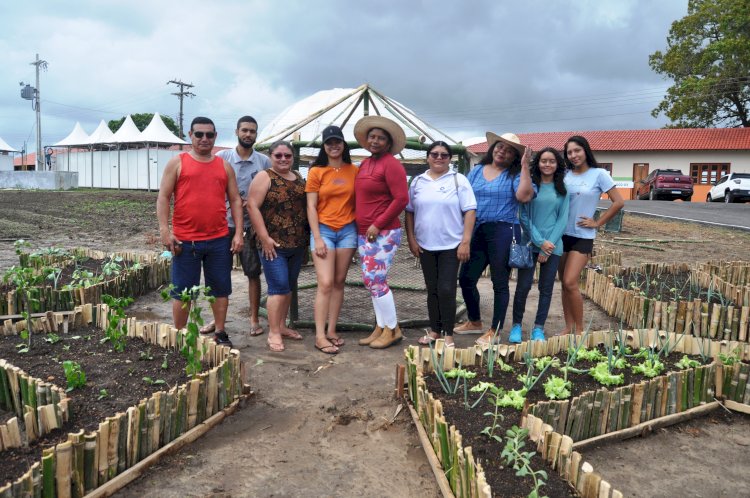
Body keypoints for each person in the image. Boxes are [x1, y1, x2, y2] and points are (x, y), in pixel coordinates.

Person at [156, 116, 244, 347]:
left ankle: (221, 332)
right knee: (182, 291)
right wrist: (165, 232)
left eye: (209, 134)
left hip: (218, 240)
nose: (205, 139)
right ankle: (181, 335)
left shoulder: (223, 166)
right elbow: (163, 197)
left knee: (220, 288)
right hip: (185, 242)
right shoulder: (178, 162)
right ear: (190, 135)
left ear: (215, 136)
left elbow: (235, 200)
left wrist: (238, 233)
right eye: (199, 134)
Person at [454, 132, 535, 346]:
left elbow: (524, 196)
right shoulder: (477, 170)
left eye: (509, 151)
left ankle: (495, 330)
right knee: (466, 278)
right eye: (500, 147)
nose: (503, 152)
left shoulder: (514, 174)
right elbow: (463, 197)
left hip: (503, 230)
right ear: (493, 148)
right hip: (476, 228)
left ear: (514, 157)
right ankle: (474, 321)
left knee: (499, 282)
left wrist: (525, 166)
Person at [200, 116, 270, 338]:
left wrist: (255, 203)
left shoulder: (263, 162)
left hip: (251, 226)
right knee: (218, 274)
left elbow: (270, 191)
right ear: (237, 131)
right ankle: (217, 320)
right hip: (224, 225)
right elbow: (210, 187)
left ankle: (253, 319)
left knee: (252, 273)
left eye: (252, 131)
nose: (248, 134)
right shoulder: (222, 157)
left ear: (256, 134)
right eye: (245, 130)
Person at [405, 141, 476, 347]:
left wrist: (465, 241)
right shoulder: (418, 182)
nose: (439, 158)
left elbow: (470, 210)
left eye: (444, 155)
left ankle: (448, 334)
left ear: (449, 159)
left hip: (451, 245)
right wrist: (411, 239)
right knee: (432, 289)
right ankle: (435, 331)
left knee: (446, 289)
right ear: (428, 157)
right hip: (426, 245)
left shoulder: (458, 180)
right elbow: (409, 212)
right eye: (434, 154)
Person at [558, 135, 624, 335]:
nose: (573, 155)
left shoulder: (599, 174)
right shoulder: (565, 175)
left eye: (577, 150)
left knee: (571, 281)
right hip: (561, 235)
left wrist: (597, 222)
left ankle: (579, 329)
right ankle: (568, 327)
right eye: (569, 152)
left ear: (585, 150)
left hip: (583, 235)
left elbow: (618, 202)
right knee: (564, 284)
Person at [247, 140, 309, 353]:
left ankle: (282, 325)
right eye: (278, 156)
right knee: (278, 287)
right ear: (271, 157)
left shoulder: (299, 177)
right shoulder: (265, 176)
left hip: (297, 243)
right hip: (273, 244)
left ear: (292, 157)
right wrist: (264, 238)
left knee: (289, 286)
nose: (283, 159)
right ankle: (273, 331)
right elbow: (252, 206)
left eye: (287, 156)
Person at [353, 116, 409, 349]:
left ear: (388, 143)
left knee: (376, 280)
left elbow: (401, 199)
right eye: (372, 137)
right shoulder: (365, 163)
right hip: (365, 233)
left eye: (381, 138)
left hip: (383, 233)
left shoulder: (391, 164)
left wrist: (378, 223)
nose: (375, 141)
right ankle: (381, 326)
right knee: (371, 281)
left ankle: (393, 329)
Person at [306, 125, 358, 354]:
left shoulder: (353, 170)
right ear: (324, 146)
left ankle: (332, 330)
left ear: (343, 144)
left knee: (338, 282)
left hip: (348, 230)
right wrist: (317, 237)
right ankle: (319, 335)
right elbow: (311, 206)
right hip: (324, 231)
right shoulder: (316, 172)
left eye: (337, 142)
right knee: (325, 283)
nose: (334, 146)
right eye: (329, 142)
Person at [509, 147, 570, 343]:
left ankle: (538, 328)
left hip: (554, 246)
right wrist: (540, 242)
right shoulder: (531, 186)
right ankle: (516, 326)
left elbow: (563, 219)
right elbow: (523, 216)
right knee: (523, 286)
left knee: (546, 289)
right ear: (538, 163)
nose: (547, 164)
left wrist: (548, 245)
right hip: (529, 244)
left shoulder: (562, 189)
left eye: (551, 161)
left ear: (557, 164)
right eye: (544, 160)